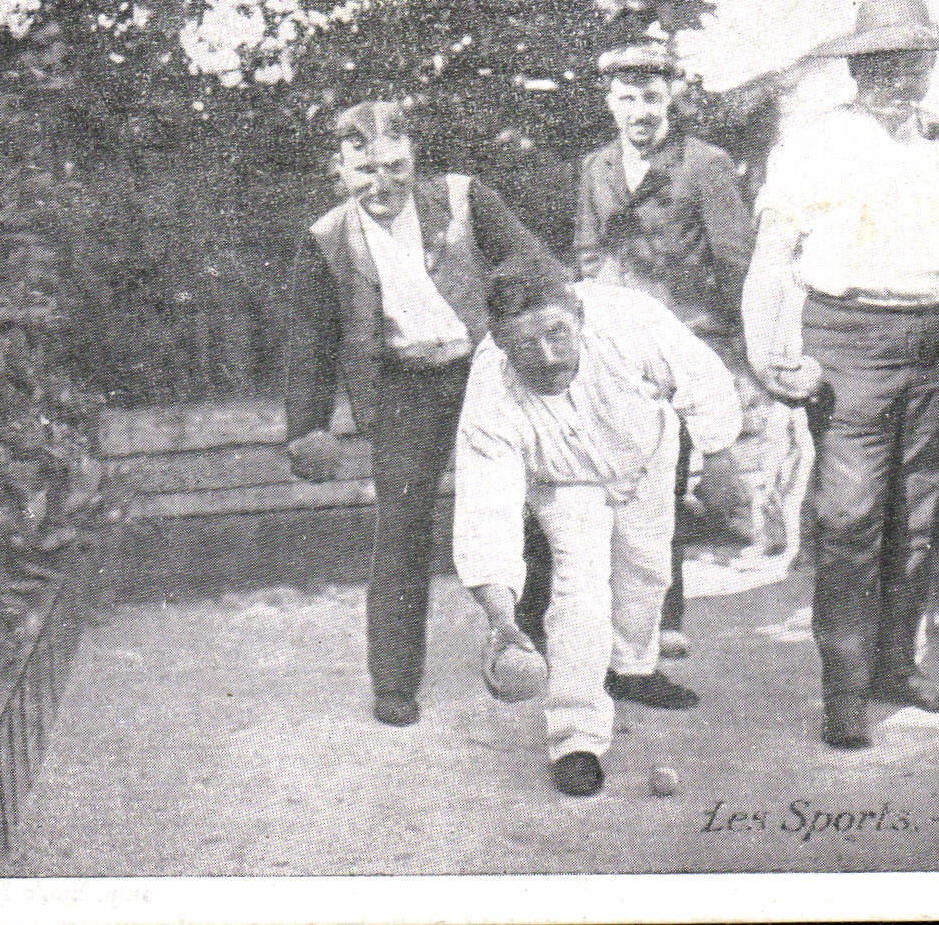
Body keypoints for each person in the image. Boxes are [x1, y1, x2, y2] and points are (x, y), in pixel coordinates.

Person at [742, 0, 939, 750]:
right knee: (852, 518)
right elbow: (771, 260)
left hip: (935, 339)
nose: (905, 76)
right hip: (848, 343)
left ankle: (896, 670)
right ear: (859, 67)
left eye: (917, 61)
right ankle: (844, 690)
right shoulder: (813, 146)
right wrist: (762, 355)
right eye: (888, 62)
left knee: (918, 518)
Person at [284, 100, 549, 728]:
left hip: (484, 370)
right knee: (401, 530)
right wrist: (308, 427)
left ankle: (531, 638)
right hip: (405, 386)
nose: (384, 186)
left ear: (415, 159)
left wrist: (512, 311)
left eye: (397, 167)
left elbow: (530, 262)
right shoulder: (325, 240)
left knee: (534, 503)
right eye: (366, 171)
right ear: (339, 170)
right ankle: (396, 682)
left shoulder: (462, 198)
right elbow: (311, 342)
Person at [454, 256, 741, 796]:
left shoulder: (629, 319)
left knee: (648, 569)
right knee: (580, 595)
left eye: (558, 334)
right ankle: (575, 737)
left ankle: (632, 667)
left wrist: (721, 457)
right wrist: (503, 622)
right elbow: (485, 515)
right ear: (498, 342)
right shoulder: (490, 394)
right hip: (565, 484)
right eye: (524, 346)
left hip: (647, 455)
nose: (546, 357)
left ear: (579, 316)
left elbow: (701, 379)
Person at [515, 43, 756, 661]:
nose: (641, 111)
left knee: (662, 481)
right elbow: (587, 252)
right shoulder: (596, 167)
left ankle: (660, 622)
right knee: (587, 474)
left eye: (652, 96)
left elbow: (736, 261)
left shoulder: (706, 165)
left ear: (672, 96)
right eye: (627, 98)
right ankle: (565, 613)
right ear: (610, 102)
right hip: (611, 348)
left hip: (682, 342)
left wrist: (736, 349)